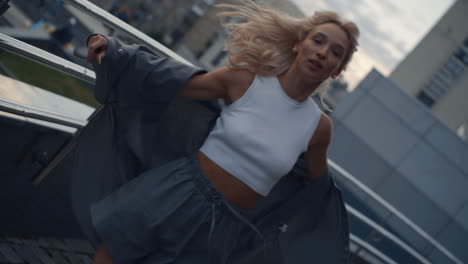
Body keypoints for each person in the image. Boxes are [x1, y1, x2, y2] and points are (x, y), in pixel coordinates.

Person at [83, 1, 359, 263]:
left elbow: (318, 196)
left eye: (336, 52)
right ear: (299, 44)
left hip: (225, 229)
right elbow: (168, 79)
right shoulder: (245, 81)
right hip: (176, 190)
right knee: (113, 255)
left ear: (337, 71)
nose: (323, 53)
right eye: (318, 40)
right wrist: (117, 52)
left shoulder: (319, 128)